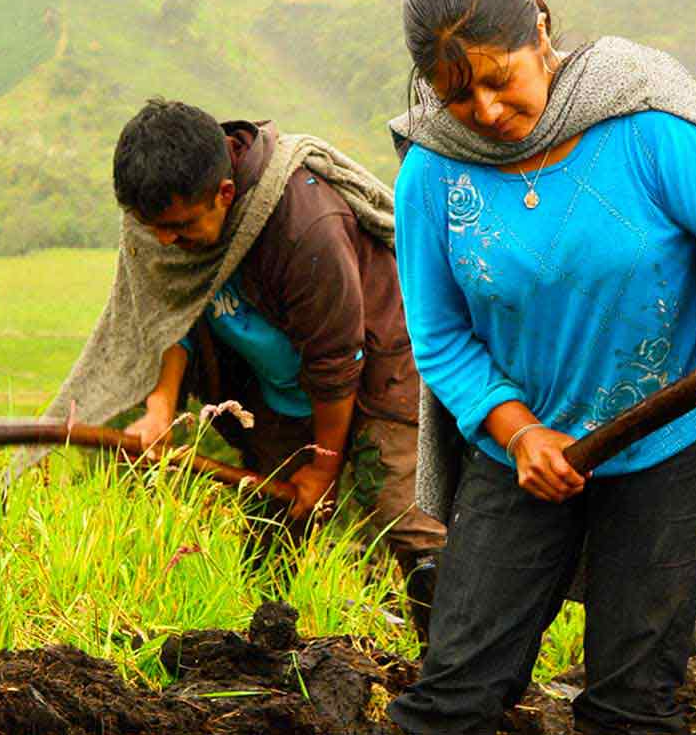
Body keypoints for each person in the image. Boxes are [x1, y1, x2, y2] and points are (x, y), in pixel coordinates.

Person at [383, 0, 696, 734]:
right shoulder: (433, 174)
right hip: (526, 450)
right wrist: (519, 434)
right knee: (454, 691)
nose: (481, 109)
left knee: (630, 706)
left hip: (665, 441)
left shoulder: (642, 120)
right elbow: (439, 336)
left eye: (497, 77)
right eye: (454, 95)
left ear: (539, 31)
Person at [38, 98, 445, 630]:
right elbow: (169, 313)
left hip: (375, 370)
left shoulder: (303, 224)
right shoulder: (159, 220)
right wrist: (160, 410)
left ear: (224, 195)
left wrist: (322, 469)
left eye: (180, 228)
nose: (165, 242)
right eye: (152, 228)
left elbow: (336, 360)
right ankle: (270, 661)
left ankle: (451, 675)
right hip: (278, 392)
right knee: (272, 530)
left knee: (403, 513)